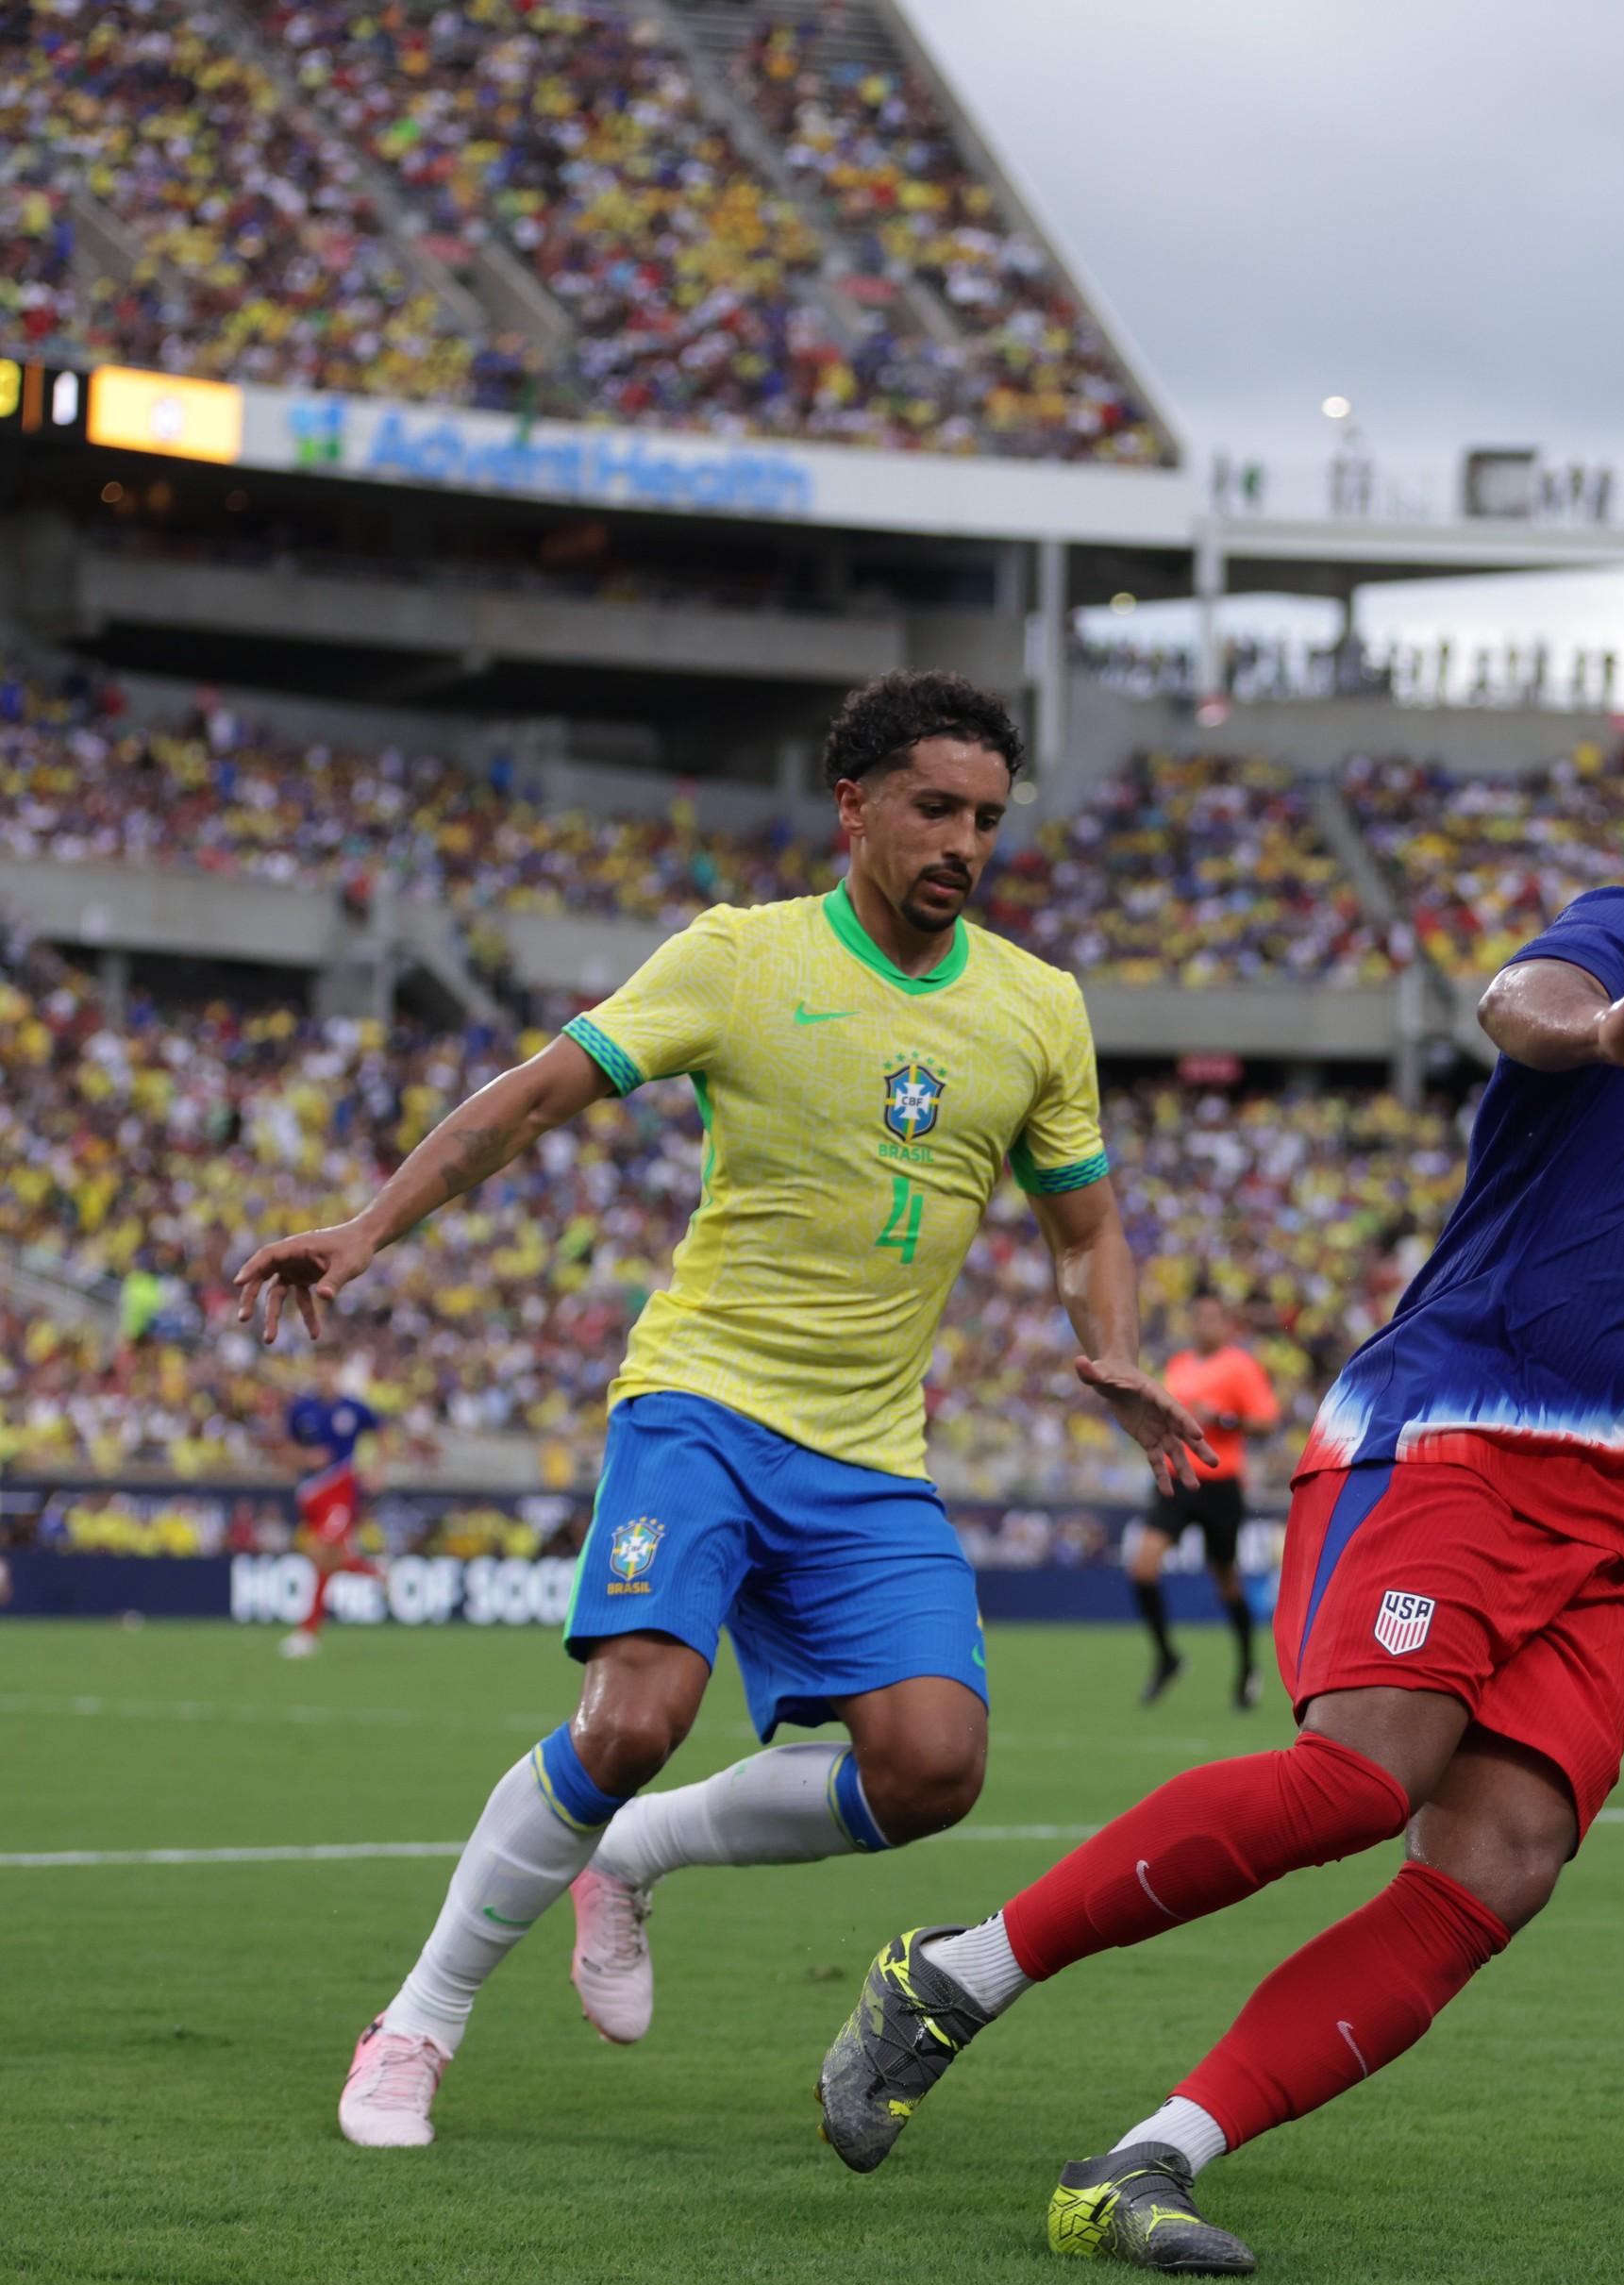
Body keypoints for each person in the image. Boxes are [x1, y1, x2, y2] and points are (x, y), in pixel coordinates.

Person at [812, 704, 1624, 2274]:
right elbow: (1521, 1000)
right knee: (1360, 1777)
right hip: (1458, 1444)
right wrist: (1604, 1032)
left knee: (1504, 1861)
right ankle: (958, 1975)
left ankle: (1149, 2161)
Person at [232, 671, 1208, 2148]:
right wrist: (370, 1230)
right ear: (857, 807)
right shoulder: (740, 959)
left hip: (871, 1447)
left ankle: (627, 1861)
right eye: (935, 808)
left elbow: (1083, 1229)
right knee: (634, 1717)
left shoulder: (1035, 1008)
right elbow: (535, 1095)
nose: (963, 841)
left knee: (935, 1766)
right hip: (702, 1398)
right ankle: (418, 2023)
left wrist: (1121, 1352)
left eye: (988, 820)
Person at [1129, 1286, 1281, 1710]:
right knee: (1142, 1567)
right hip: (1178, 1481)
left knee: (1226, 1581)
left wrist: (1224, 1419)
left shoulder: (1240, 1367)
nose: (1204, 1325)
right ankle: (1166, 1657)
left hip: (1220, 1483)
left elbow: (1266, 1424)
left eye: (1213, 1317)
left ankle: (1248, 1668)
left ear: (1226, 1324)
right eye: (1199, 1317)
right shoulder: (1178, 1365)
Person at [276, 1369, 383, 1660]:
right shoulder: (302, 1409)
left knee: (321, 1554)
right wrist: (305, 1458)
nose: (327, 1375)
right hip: (311, 1493)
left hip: (341, 1490)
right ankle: (373, 1572)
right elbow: (286, 1449)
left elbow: (380, 1432)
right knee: (324, 1559)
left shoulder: (354, 1408)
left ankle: (307, 1633)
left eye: (332, 1367)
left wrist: (376, 1469)